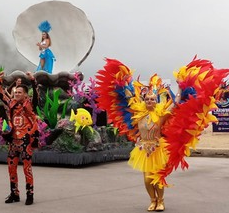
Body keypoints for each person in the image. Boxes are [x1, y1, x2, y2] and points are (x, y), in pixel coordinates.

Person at [95, 58, 229, 212]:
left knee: (157, 177)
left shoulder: (161, 115)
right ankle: (153, 200)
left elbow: (176, 104)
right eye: (148, 99)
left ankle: (161, 201)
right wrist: (124, 81)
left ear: (156, 100)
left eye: (153, 99)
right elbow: (127, 98)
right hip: (142, 150)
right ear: (144, 100)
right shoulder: (136, 114)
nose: (150, 101)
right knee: (146, 178)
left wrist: (180, 88)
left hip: (157, 149)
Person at [0, 71, 39, 205]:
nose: (17, 94)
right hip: (13, 141)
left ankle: (30, 195)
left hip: (26, 141)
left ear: (25, 94)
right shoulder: (11, 103)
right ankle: (14, 194)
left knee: (27, 169)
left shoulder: (30, 104)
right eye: (16, 92)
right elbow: (0, 94)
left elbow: (37, 93)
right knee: (11, 168)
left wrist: (32, 80)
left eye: (20, 92)